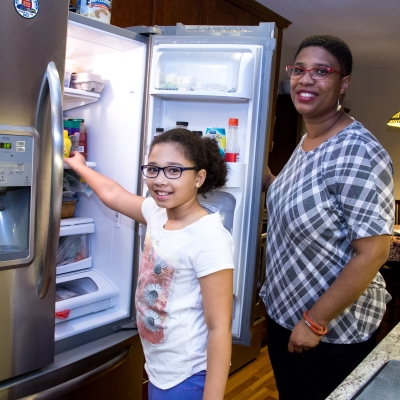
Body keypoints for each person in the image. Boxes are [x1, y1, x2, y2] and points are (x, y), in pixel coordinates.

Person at [260, 34, 395, 400]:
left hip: (331, 332)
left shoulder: (359, 152)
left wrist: (314, 321)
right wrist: (264, 177)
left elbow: (374, 252)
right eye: (299, 70)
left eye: (321, 71)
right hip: (285, 312)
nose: (305, 79)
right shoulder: (306, 142)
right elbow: (300, 202)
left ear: (343, 83)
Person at [64, 129, 234, 400]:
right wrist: (80, 166)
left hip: (188, 376)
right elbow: (112, 193)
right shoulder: (157, 212)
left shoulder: (209, 237)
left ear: (199, 178)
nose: (160, 180)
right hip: (159, 369)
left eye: (174, 171)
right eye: (153, 169)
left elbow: (219, 328)